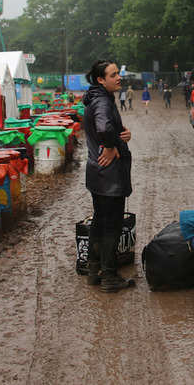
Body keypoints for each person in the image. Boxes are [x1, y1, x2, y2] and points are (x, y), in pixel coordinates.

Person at [82, 60, 134, 292]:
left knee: (100, 221)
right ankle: (110, 276)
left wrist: (122, 135)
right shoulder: (103, 101)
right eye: (113, 75)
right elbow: (103, 129)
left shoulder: (96, 98)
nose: (118, 77)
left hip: (97, 172)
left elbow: (105, 128)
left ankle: (94, 270)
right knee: (111, 224)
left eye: (118, 73)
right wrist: (112, 146)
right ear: (101, 80)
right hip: (109, 175)